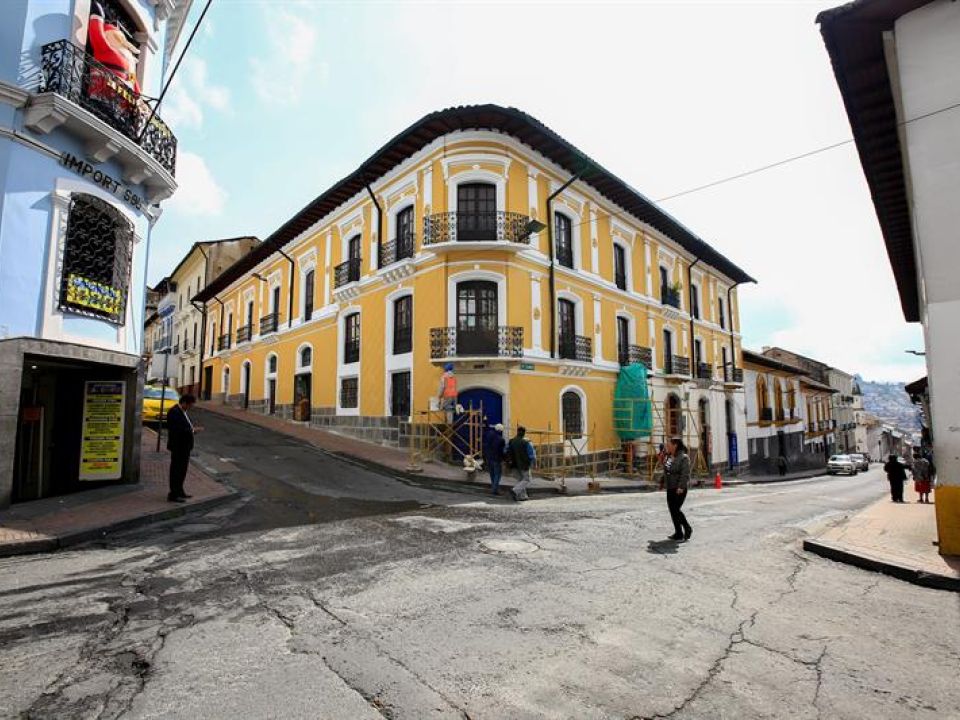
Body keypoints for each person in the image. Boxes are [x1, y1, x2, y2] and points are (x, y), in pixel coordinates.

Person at [167, 393, 198, 503]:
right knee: (176, 470)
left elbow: (186, 426)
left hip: (185, 447)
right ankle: (173, 494)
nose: (191, 407)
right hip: (178, 446)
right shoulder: (174, 412)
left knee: (182, 470)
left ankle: (180, 491)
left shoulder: (184, 412)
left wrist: (192, 430)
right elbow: (175, 429)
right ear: (184, 402)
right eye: (190, 405)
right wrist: (192, 431)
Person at [663, 437, 692, 541]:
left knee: (676, 510)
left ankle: (687, 528)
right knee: (672, 510)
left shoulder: (684, 457)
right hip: (670, 487)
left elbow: (685, 474)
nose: (667, 446)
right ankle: (678, 532)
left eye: (669, 444)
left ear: (675, 445)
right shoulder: (669, 457)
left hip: (679, 488)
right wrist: (662, 481)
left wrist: (681, 487)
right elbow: (666, 471)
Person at [507, 426, 536, 502]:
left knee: (520, 480)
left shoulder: (511, 441)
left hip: (513, 465)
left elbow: (506, 451)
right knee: (527, 479)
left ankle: (522, 496)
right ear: (524, 433)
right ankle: (514, 490)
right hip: (523, 465)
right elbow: (531, 455)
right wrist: (532, 463)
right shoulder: (526, 443)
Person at [482, 423, 506, 496]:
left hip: (488, 457)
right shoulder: (501, 440)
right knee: (497, 474)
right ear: (500, 431)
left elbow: (485, 444)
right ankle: (495, 489)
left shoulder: (489, 435)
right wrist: (504, 459)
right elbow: (501, 451)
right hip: (496, 459)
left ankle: (494, 487)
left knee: (492, 474)